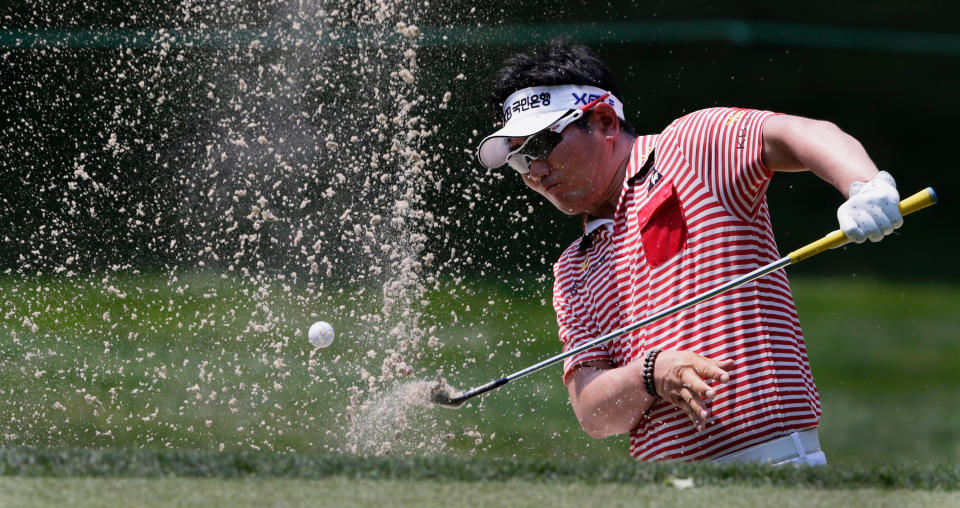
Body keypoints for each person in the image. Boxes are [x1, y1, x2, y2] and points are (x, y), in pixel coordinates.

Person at [475, 40, 903, 464]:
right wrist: (651, 372)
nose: (535, 171)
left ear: (604, 120)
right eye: (519, 159)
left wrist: (864, 184)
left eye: (541, 145)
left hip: (776, 470)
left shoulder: (688, 147)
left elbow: (801, 133)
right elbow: (594, 414)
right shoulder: (572, 270)